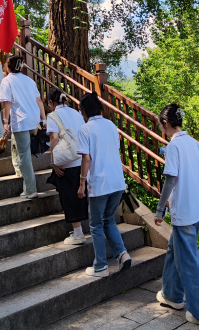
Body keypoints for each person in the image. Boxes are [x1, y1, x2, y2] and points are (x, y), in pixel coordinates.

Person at [154, 104, 199, 327]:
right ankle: (171, 295)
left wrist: (160, 210)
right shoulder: (192, 143)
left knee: (189, 262)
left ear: (166, 124)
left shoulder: (174, 146)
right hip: (197, 208)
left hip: (184, 211)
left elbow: (170, 179)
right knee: (175, 249)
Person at [76, 92, 131, 277]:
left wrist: (81, 183)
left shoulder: (85, 129)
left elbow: (86, 159)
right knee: (108, 219)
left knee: (96, 225)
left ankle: (100, 266)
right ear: (99, 108)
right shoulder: (111, 125)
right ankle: (122, 253)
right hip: (117, 181)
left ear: (83, 111)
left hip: (99, 183)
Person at [44, 89, 88, 245]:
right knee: (79, 194)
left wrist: (53, 161)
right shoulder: (77, 113)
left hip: (66, 162)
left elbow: (54, 138)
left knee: (68, 197)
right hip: (81, 159)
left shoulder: (53, 116)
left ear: (51, 102)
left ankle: (78, 233)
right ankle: (82, 230)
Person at [0, 55, 46, 199]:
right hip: (34, 119)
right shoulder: (29, 80)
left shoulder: (7, 81)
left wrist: (5, 122)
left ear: (8, 67)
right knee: (24, 152)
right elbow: (39, 100)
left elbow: (7, 103)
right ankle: (27, 187)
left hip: (21, 121)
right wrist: (44, 119)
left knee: (24, 156)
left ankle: (31, 189)